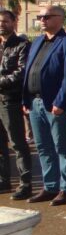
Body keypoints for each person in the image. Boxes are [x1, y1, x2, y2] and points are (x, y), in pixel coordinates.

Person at [23, 6, 66, 206]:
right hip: (34, 102)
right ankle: (50, 186)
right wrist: (26, 99)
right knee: (43, 147)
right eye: (40, 16)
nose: (42, 20)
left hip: (55, 105)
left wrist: (61, 102)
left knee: (62, 147)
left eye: (47, 16)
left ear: (60, 18)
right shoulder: (37, 42)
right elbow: (29, 70)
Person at [0, 11, 32, 199]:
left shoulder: (22, 45)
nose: (1, 24)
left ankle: (25, 183)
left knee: (17, 144)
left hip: (10, 101)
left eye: (5, 21)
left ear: (14, 22)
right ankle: (3, 180)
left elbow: (22, 72)